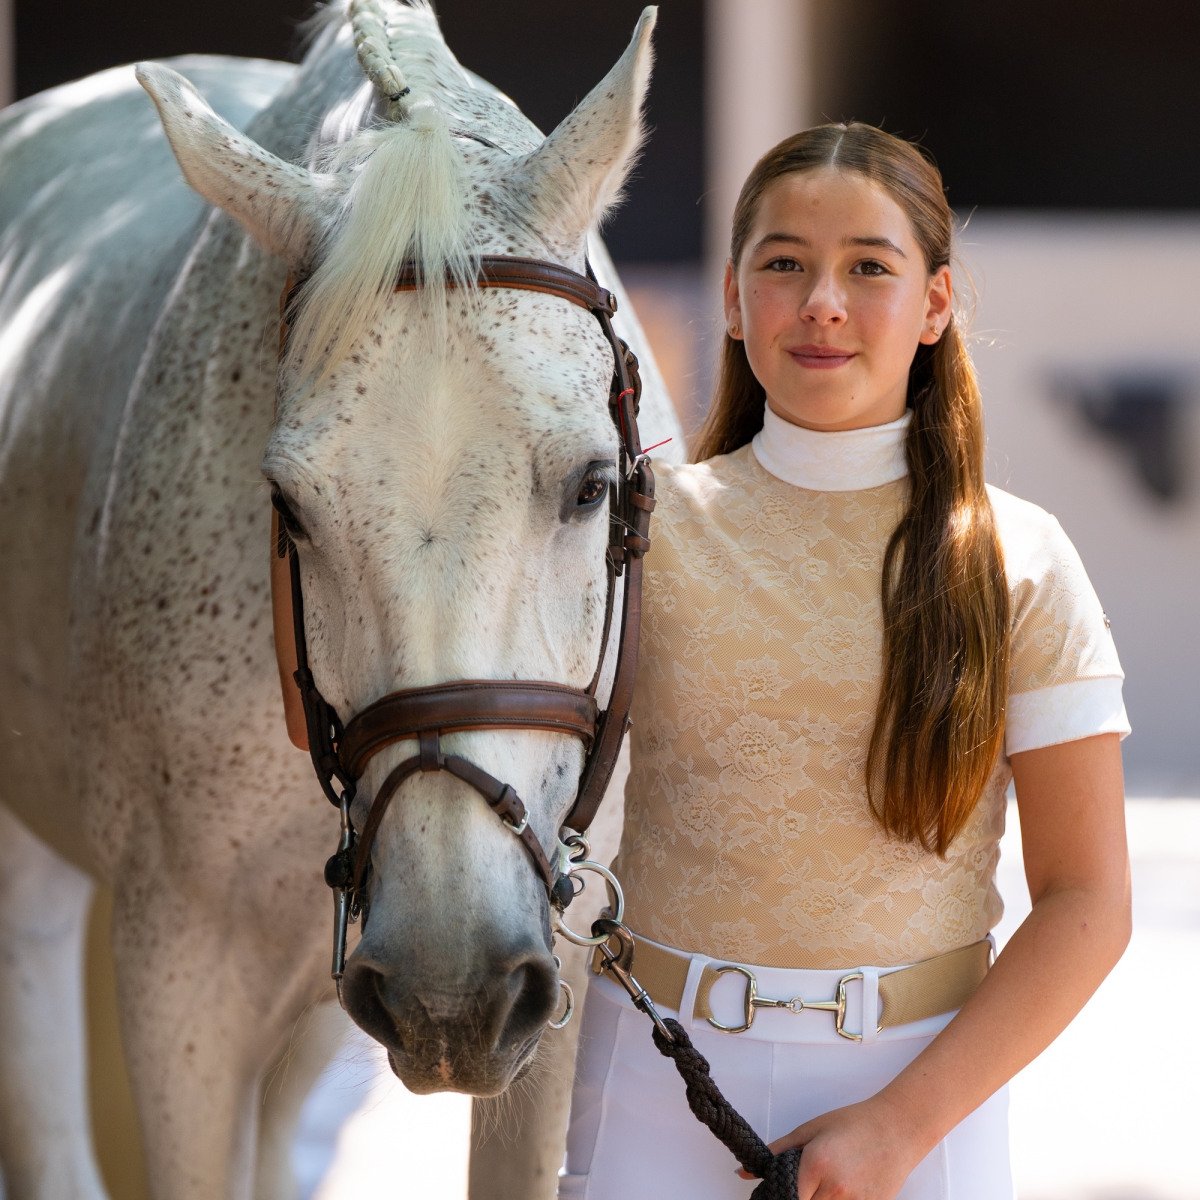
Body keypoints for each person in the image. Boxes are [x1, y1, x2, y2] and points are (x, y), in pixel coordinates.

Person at [558, 122, 1131, 1200]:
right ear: (734, 299)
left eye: (869, 267)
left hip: (922, 1096)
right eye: (784, 263)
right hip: (652, 1079)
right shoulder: (633, 536)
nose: (822, 302)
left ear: (936, 304)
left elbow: (1088, 900)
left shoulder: (1019, 559)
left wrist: (898, 1129)